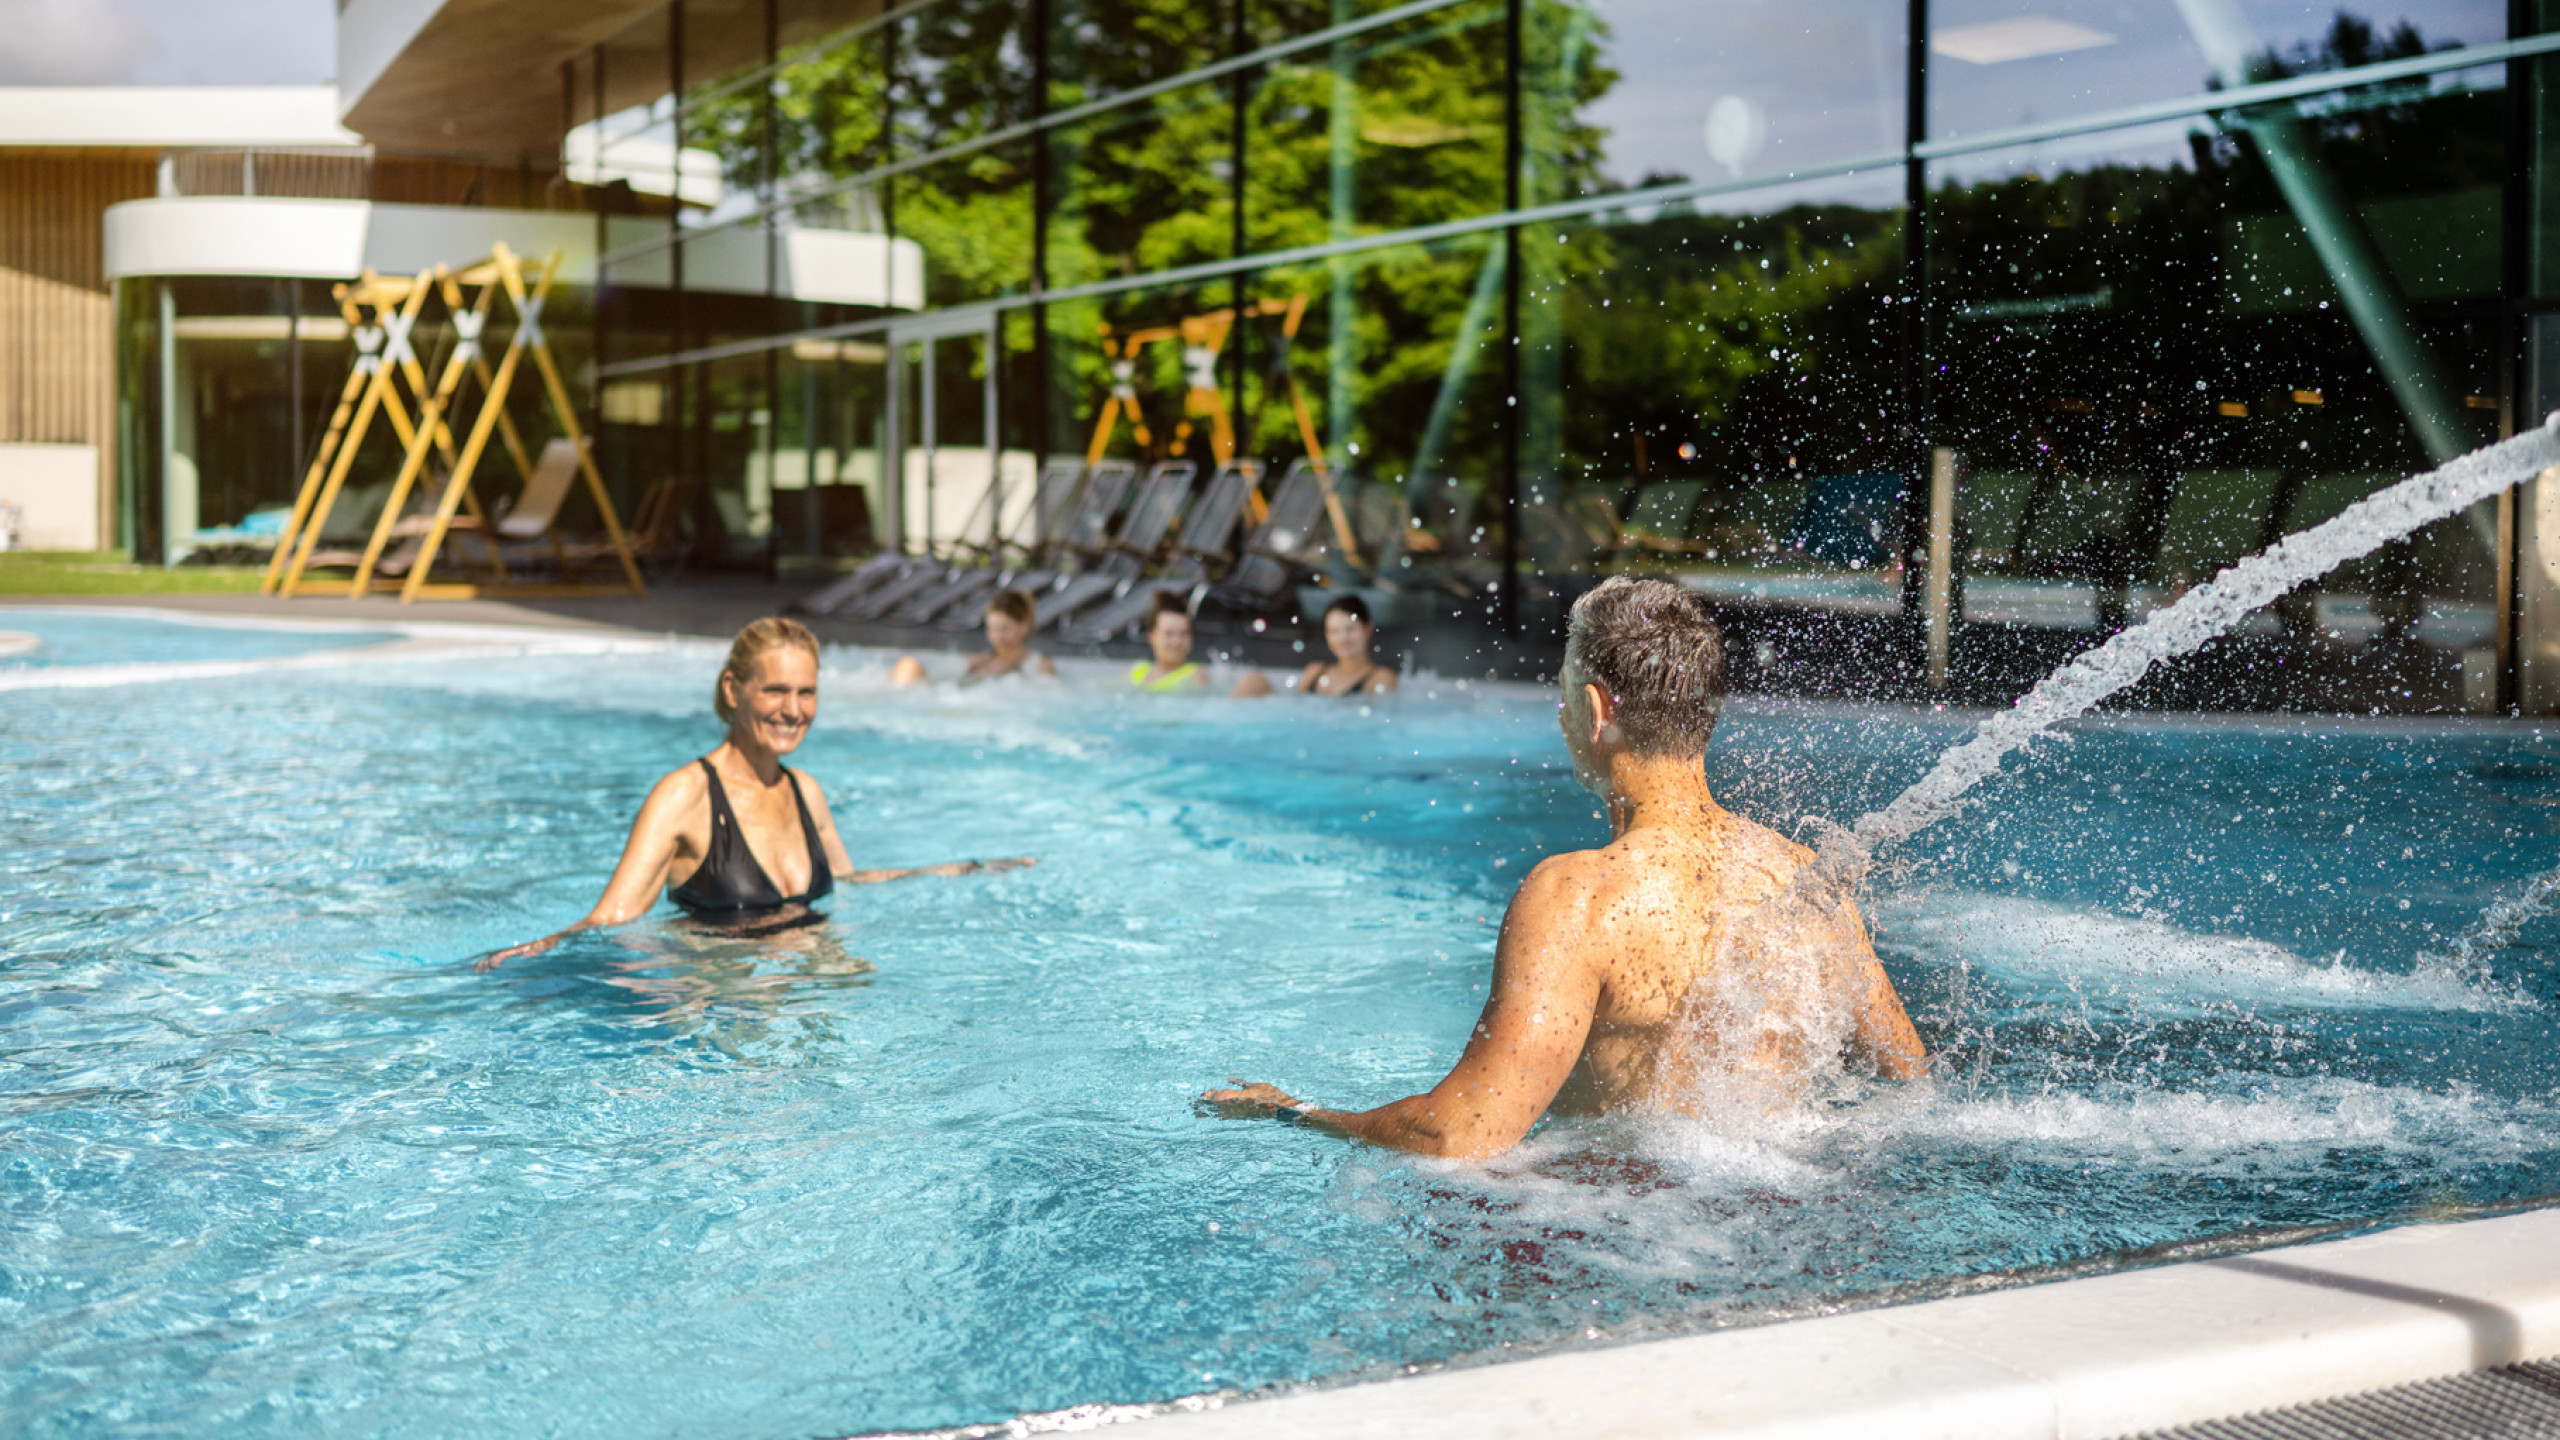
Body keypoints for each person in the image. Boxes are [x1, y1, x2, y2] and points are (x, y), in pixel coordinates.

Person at [1202, 575, 1925, 1157]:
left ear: (1596, 707)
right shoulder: (1805, 880)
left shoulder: (1581, 896)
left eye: (1562, 693)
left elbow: (1459, 1135)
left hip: (1634, 1247)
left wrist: (1296, 1113)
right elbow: (1910, 1083)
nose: (1558, 719)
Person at [480, 618, 1032, 968]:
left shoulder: (804, 789)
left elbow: (850, 879)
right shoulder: (684, 795)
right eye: (775, 690)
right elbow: (611, 918)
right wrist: (539, 949)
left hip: (813, 989)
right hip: (724, 1001)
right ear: (733, 689)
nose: (793, 710)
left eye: (806, 693)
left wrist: (965, 869)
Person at [1232, 594, 1398, 698]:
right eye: (1334, 631)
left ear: (1367, 629)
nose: (1343, 639)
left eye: (1350, 629)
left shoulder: (1380, 678)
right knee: (1253, 679)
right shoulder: (1315, 671)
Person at [889, 589, 1057, 687]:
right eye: (991, 629)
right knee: (908, 665)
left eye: (1004, 629)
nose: (997, 636)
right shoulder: (977, 661)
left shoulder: (1038, 666)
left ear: (1024, 625)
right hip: (953, 700)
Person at [1129, 590, 1212, 692]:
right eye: (1169, 634)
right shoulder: (1139, 670)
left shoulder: (1195, 675)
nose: (1177, 642)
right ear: (1152, 635)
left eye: (1183, 634)